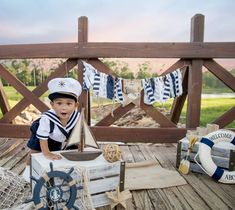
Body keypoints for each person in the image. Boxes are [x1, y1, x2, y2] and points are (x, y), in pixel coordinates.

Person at [22, 77, 82, 182]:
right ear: (52, 105)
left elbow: (76, 132)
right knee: (35, 152)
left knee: (56, 152)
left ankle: (55, 172)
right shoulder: (47, 119)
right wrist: (46, 153)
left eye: (69, 103)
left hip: (58, 137)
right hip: (42, 135)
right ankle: (27, 170)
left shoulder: (76, 117)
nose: (64, 108)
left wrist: (79, 144)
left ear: (75, 105)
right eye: (59, 103)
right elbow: (43, 138)